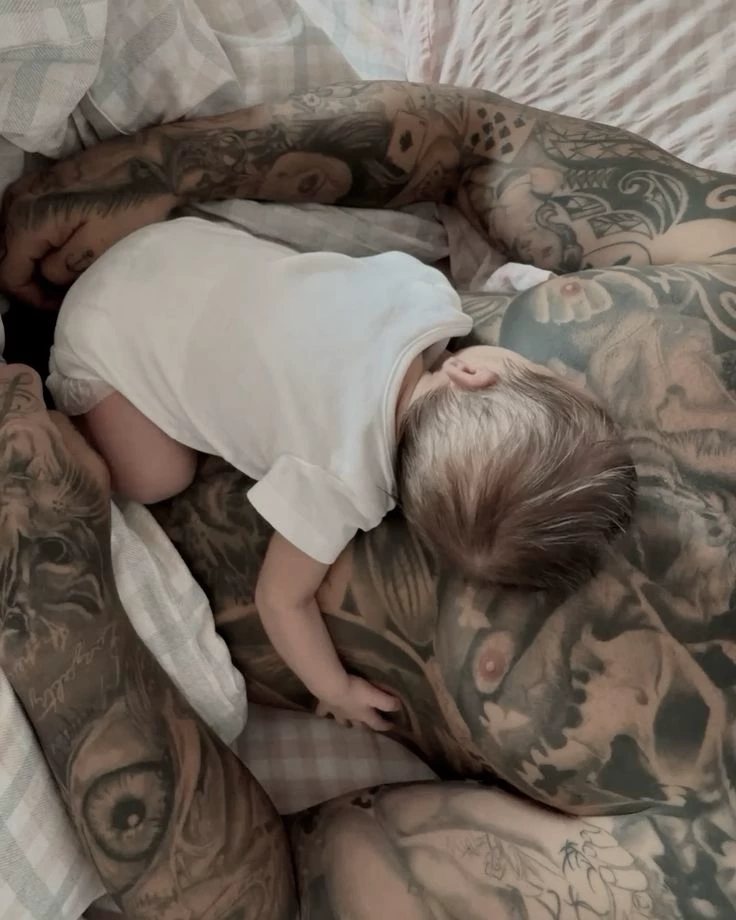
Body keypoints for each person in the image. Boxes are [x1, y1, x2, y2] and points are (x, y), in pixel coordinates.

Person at [1, 80, 735, 919]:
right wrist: (152, 167)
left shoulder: (705, 865)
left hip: (82, 581)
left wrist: (48, 569)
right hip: (126, 278)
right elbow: (472, 141)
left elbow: (258, 901)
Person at [45, 214, 634, 729]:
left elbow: (279, 597)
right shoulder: (336, 480)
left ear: (472, 374)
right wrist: (336, 689)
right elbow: (282, 601)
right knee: (156, 480)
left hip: (168, 247)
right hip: (100, 335)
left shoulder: (422, 298)